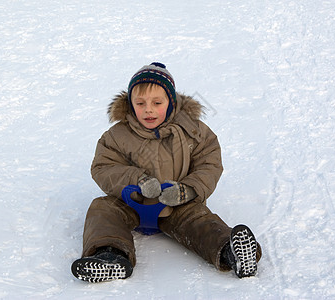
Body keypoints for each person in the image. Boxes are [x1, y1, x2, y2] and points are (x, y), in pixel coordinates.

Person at [71, 62, 262, 283]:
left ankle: (231, 251)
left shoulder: (194, 131)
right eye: (140, 103)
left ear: (171, 102)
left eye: (157, 102)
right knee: (102, 208)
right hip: (131, 202)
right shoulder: (117, 135)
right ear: (130, 104)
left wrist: (188, 189)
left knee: (199, 221)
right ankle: (110, 255)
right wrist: (137, 180)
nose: (148, 109)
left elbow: (209, 163)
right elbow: (104, 167)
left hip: (177, 205)